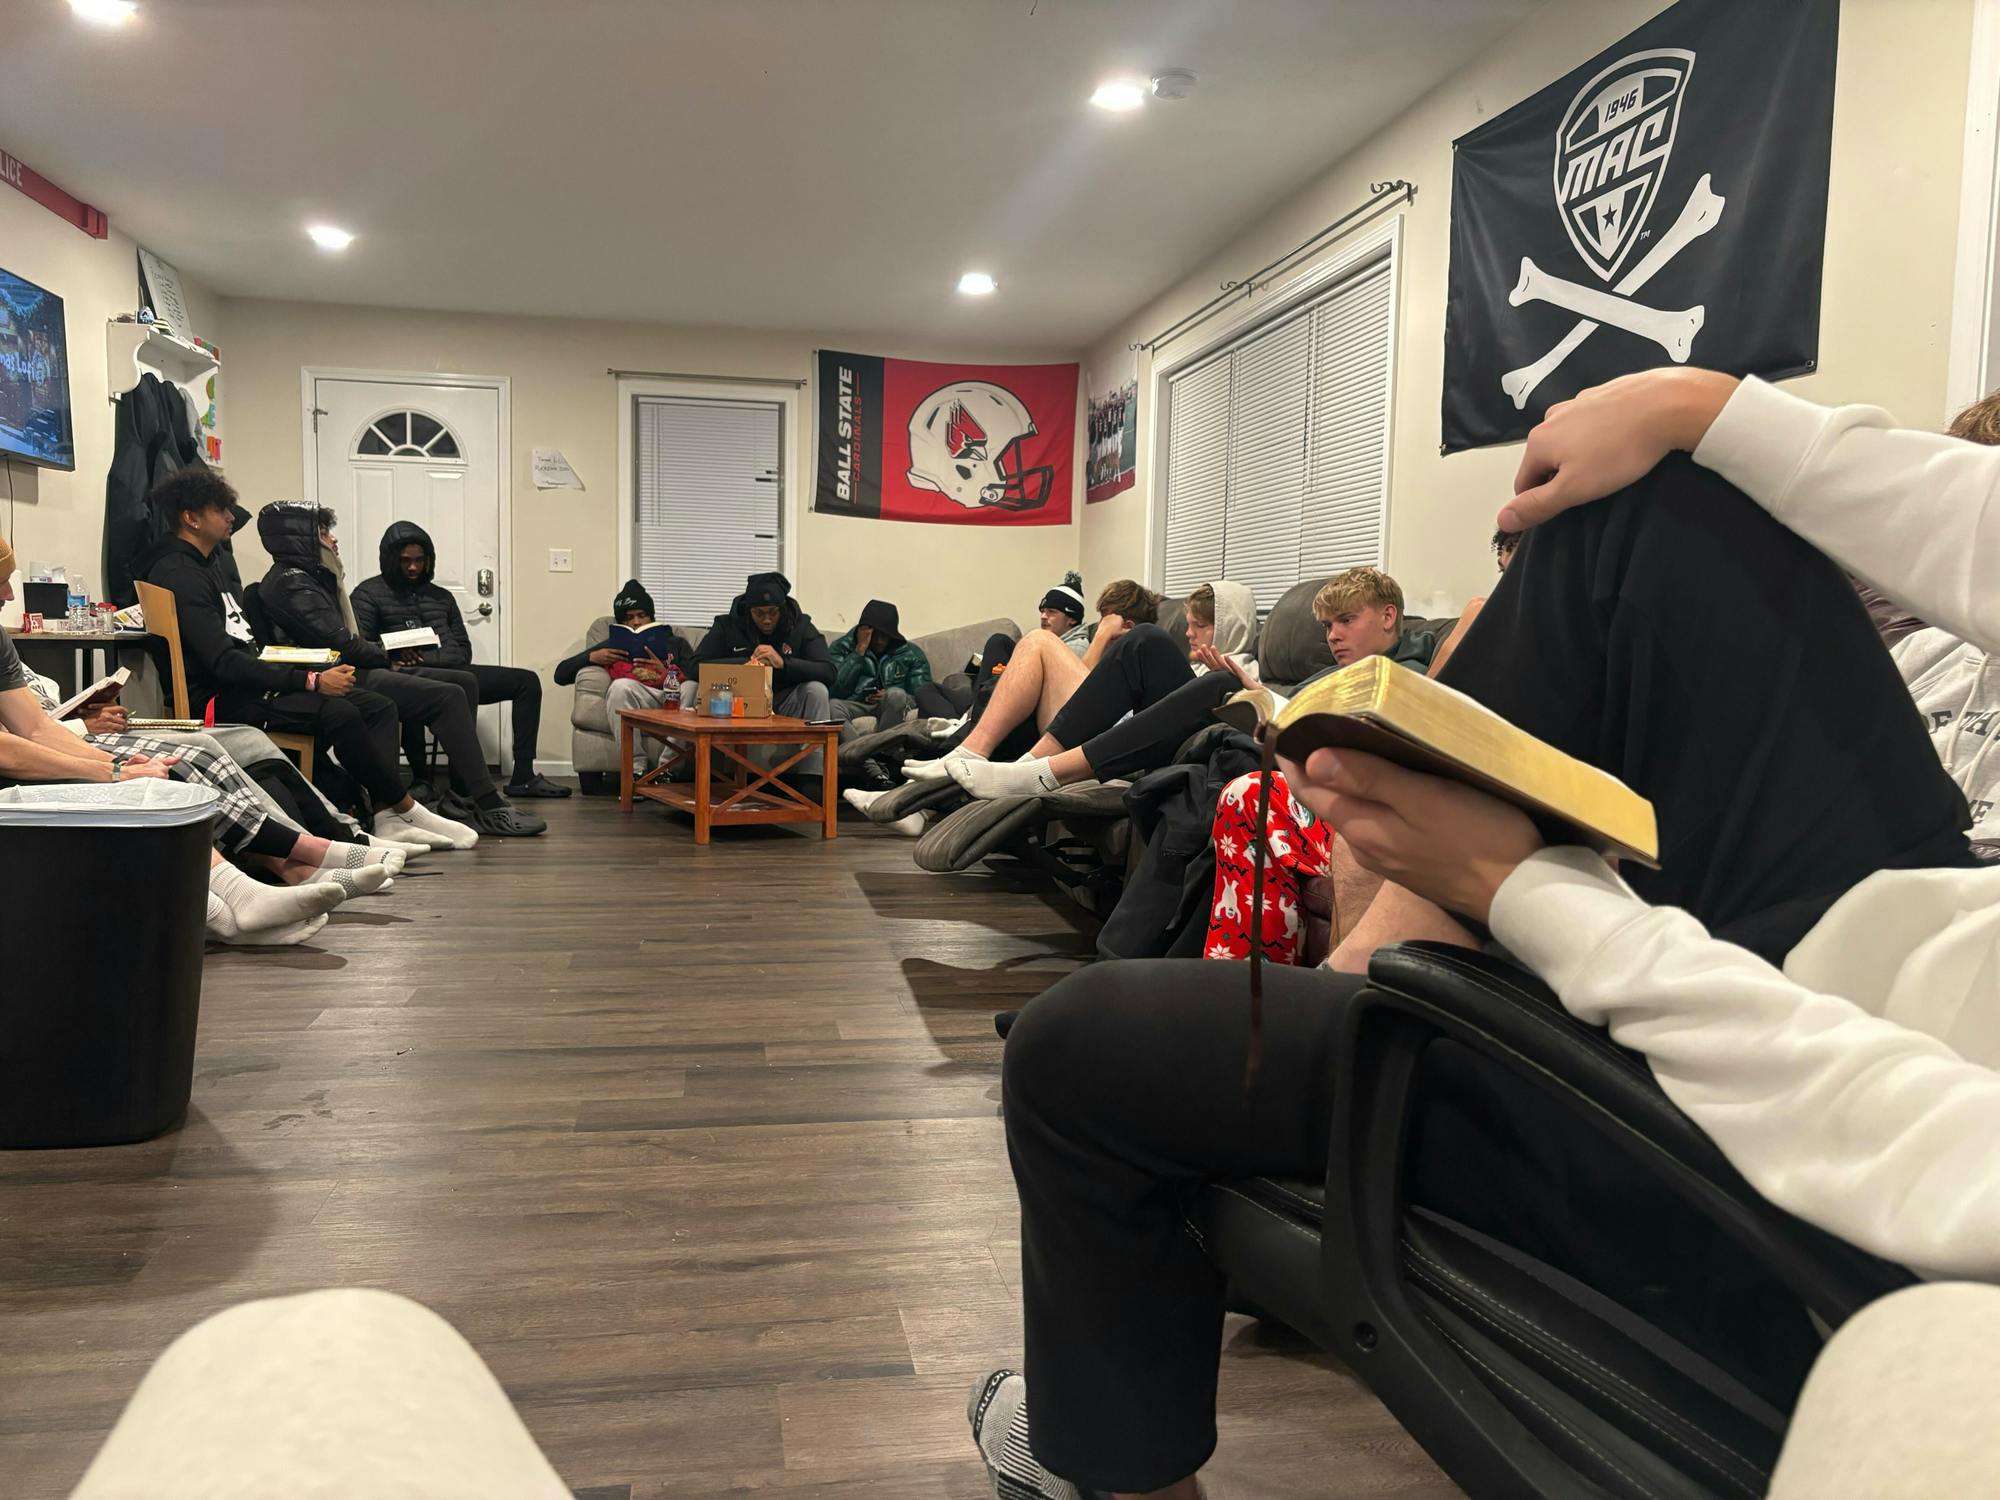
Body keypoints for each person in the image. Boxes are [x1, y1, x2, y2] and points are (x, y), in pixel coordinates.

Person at [969, 366, 1992, 1499]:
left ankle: (1116, 1463)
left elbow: (1935, 1159)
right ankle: (1365, 984)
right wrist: (1709, 407)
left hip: (1842, 1159)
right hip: (1920, 946)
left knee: (1077, 1050)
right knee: (1648, 508)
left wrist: (1524, 891)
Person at [0, 555, 394, 947]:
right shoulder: (180, 573)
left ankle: (288, 872)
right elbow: (8, 750)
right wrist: (115, 773)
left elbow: (35, 728)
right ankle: (263, 888)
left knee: (177, 765)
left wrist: (120, 764)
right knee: (162, 777)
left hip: (46, 743)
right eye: (0, 582)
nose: (10, 594)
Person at [1203, 536, 1517, 964]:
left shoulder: (1430, 654)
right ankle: (1250, 977)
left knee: (1241, 789)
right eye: (1505, 573)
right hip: (1320, 774)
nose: (1333, 636)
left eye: (1346, 621)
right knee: (1224, 782)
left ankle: (1285, 982)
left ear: (1388, 617)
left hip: (1385, 791)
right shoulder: (1331, 674)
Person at [136, 473, 475, 853]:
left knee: (375, 705)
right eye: (221, 509)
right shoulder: (181, 574)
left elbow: (243, 650)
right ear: (191, 518)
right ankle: (404, 809)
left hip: (245, 684)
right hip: (221, 700)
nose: (231, 517)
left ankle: (387, 814)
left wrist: (307, 673)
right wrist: (309, 680)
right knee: (340, 712)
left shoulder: (206, 565)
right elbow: (223, 662)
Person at [254, 502, 544, 840]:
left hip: (349, 665)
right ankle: (485, 802)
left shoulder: (307, 580)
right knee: (448, 695)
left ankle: (462, 796)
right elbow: (343, 643)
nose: (333, 539)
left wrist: (384, 655)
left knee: (462, 681)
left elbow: (456, 650)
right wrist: (385, 655)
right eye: (323, 532)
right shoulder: (294, 584)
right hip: (334, 673)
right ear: (298, 537)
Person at [350, 521, 569, 799]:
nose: (413, 567)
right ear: (391, 559)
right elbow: (362, 647)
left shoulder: (442, 597)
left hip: (451, 670)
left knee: (526, 682)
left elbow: (462, 651)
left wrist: (422, 657)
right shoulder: (368, 594)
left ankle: (522, 776)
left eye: (419, 560)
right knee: (416, 690)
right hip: (403, 677)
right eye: (405, 561)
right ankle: (425, 779)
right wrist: (392, 653)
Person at [905, 579, 1164, 783]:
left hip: (1105, 736)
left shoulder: (1139, 656)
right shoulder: (1111, 655)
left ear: (1127, 626)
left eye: (1106, 618)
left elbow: (1087, 699)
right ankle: (937, 776)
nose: (1100, 624)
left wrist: (1101, 637)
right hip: (1076, 728)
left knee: (1037, 641)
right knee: (1005, 670)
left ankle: (966, 749)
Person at [694, 571, 835, 780]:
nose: (767, 620)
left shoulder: (801, 625)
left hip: (785, 700)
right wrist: (747, 664)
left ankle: (812, 778)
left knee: (817, 690)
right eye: (759, 613)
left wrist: (783, 663)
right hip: (739, 703)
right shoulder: (727, 625)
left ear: (782, 609)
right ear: (748, 610)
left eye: (773, 612)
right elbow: (695, 666)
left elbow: (828, 671)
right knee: (699, 688)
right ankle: (709, 777)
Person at [827, 599, 944, 737]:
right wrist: (859, 651)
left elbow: (924, 696)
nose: (879, 641)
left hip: (893, 705)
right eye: (875, 635)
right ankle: (858, 749)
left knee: (896, 694)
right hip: (856, 704)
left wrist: (888, 695)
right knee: (832, 705)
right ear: (864, 632)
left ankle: (884, 746)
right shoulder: (842, 648)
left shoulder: (911, 654)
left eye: (884, 636)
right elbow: (833, 690)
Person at [1039, 572, 1092, 657]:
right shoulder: (1052, 642)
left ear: (1072, 619)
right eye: (1042, 611)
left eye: (1051, 611)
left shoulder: (1075, 648)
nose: (1043, 617)